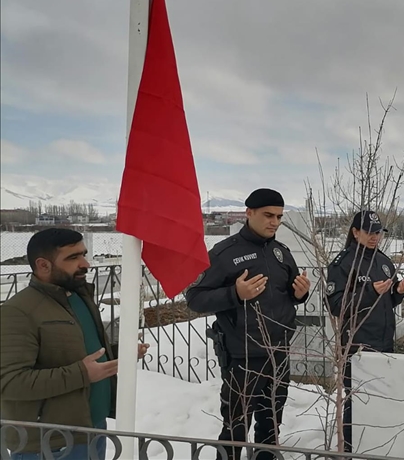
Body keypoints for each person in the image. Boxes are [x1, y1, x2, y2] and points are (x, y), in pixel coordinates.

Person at [0, 228, 149, 460]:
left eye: (84, 254)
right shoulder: (17, 312)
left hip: (92, 428)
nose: (86, 264)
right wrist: (82, 374)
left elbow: (81, 352)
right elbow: (9, 382)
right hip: (49, 442)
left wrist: (123, 353)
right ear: (43, 265)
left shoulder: (79, 297)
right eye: (73, 257)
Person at [186, 188, 311, 460]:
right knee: (235, 429)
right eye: (268, 215)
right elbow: (195, 298)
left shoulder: (281, 252)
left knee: (270, 427)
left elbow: (287, 293)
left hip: (278, 353)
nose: (274, 222)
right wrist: (235, 294)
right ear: (249, 213)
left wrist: (300, 293)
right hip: (242, 357)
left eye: (279, 216)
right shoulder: (224, 253)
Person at [325, 210, 404, 452]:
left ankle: (376, 447)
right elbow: (335, 305)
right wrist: (370, 291)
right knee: (356, 402)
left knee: (381, 400)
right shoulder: (343, 263)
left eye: (378, 233)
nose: (374, 237)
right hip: (358, 346)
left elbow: (385, 302)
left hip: (384, 343)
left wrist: (397, 292)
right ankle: (351, 450)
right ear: (355, 232)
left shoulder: (384, 261)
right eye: (369, 232)